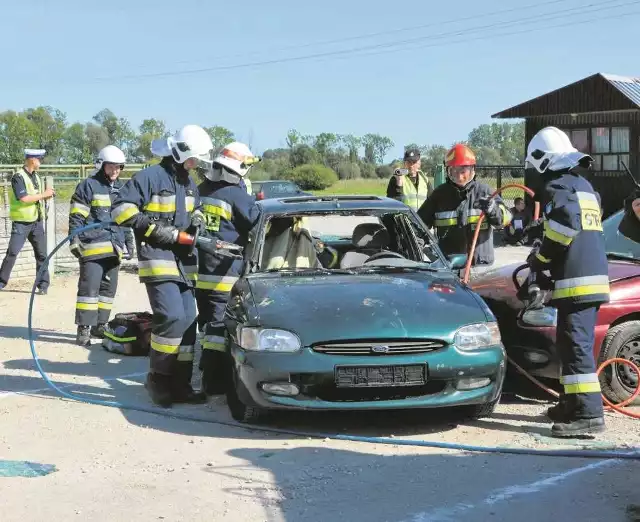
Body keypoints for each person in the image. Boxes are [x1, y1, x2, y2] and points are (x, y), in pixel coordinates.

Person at [111, 124, 212, 408]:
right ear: (180, 153)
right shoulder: (150, 177)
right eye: (194, 158)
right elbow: (121, 209)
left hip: (184, 261)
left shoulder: (188, 182)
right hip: (157, 256)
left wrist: (199, 220)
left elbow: (197, 209)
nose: (196, 164)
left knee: (188, 321)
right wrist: (158, 230)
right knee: (170, 315)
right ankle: (158, 378)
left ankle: (180, 383)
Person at [525, 126, 609, 437]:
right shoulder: (583, 185)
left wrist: (541, 260)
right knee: (569, 343)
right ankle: (571, 404)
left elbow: (567, 224)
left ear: (543, 161)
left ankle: (589, 414)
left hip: (578, 282)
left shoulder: (557, 187)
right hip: (591, 278)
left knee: (576, 348)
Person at [195, 141, 261, 395]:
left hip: (199, 273)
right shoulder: (236, 195)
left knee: (208, 326)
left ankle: (206, 371)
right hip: (224, 274)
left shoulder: (200, 191)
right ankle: (213, 382)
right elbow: (257, 226)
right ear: (240, 167)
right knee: (218, 329)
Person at [68, 145, 135, 346]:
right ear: (102, 165)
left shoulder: (123, 189)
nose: (115, 171)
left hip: (114, 249)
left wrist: (129, 241)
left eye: (119, 167)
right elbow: (77, 216)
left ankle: (100, 325)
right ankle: (84, 330)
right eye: (111, 167)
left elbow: (126, 218)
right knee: (89, 290)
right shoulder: (88, 186)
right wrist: (74, 240)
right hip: (92, 247)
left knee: (108, 290)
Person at [417, 143, 511, 274]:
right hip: (449, 267)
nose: (459, 177)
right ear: (448, 171)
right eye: (454, 172)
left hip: (480, 268)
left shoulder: (485, 192)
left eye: (463, 172)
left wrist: (492, 209)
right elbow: (419, 225)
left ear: (473, 170)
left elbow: (505, 219)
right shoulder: (439, 195)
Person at [0, 149, 55, 294]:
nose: (40, 162)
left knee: (42, 255)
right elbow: (23, 198)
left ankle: (43, 285)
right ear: (32, 160)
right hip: (21, 222)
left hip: (36, 221)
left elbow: (37, 196)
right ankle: (1, 282)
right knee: (12, 253)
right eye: (39, 159)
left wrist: (46, 195)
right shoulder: (18, 177)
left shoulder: (36, 177)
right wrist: (44, 195)